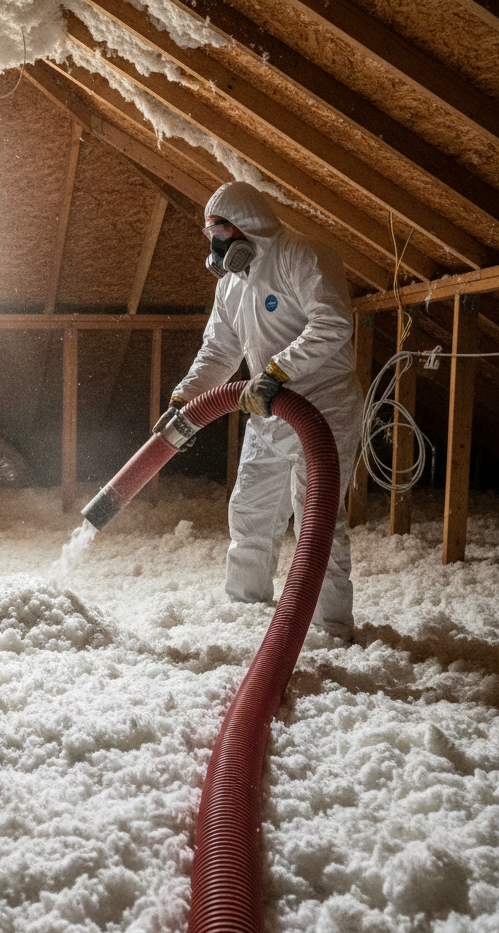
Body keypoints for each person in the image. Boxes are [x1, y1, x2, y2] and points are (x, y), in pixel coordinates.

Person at [158, 180, 363, 640]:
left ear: (247, 225)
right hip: (267, 407)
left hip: (323, 407)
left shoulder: (303, 254)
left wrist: (277, 371)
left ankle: (331, 626)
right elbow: (218, 350)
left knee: (317, 516)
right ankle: (245, 610)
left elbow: (332, 321)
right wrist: (184, 398)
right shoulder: (231, 284)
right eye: (210, 234)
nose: (215, 244)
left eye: (221, 230)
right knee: (250, 510)